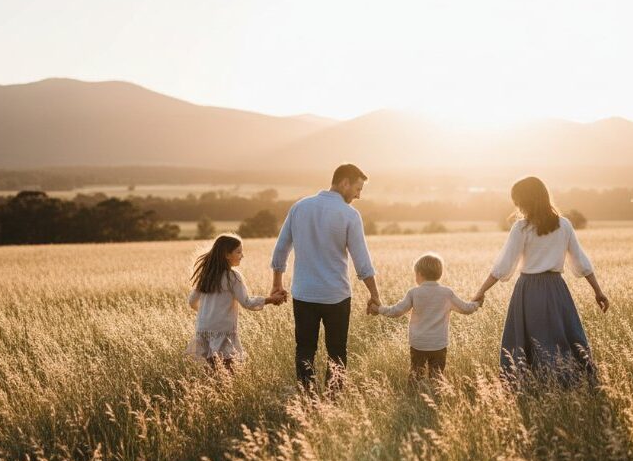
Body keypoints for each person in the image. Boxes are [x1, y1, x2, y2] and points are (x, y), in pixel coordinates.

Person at [472, 176, 609, 386]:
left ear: (526, 201)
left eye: (517, 201)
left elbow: (503, 266)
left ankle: (529, 384)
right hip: (557, 290)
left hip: (528, 291)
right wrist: (598, 292)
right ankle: (571, 383)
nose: (516, 205)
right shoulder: (564, 225)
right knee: (562, 337)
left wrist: (481, 291)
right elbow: (581, 262)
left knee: (530, 339)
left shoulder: (521, 228)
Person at [270, 163, 380, 393]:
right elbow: (362, 260)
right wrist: (374, 295)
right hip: (336, 297)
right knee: (337, 352)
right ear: (344, 183)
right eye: (357, 189)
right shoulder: (349, 215)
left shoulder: (300, 207)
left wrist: (277, 285)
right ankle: (333, 400)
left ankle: (307, 401)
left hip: (304, 295)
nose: (359, 195)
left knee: (305, 350)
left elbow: (281, 249)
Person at [370, 253, 480, 380]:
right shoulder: (447, 293)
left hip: (418, 344)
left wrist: (379, 309)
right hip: (439, 344)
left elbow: (396, 311)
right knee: (437, 378)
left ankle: (414, 395)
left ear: (420, 274)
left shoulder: (414, 293)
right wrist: (477, 303)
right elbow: (466, 309)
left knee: (416, 376)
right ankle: (436, 396)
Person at [187, 233, 286, 370]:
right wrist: (271, 299)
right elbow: (247, 303)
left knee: (211, 370)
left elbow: (192, 301)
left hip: (204, 328)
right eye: (238, 252)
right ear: (227, 255)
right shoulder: (232, 276)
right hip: (223, 330)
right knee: (228, 371)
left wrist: (209, 312)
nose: (242, 255)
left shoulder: (206, 275)